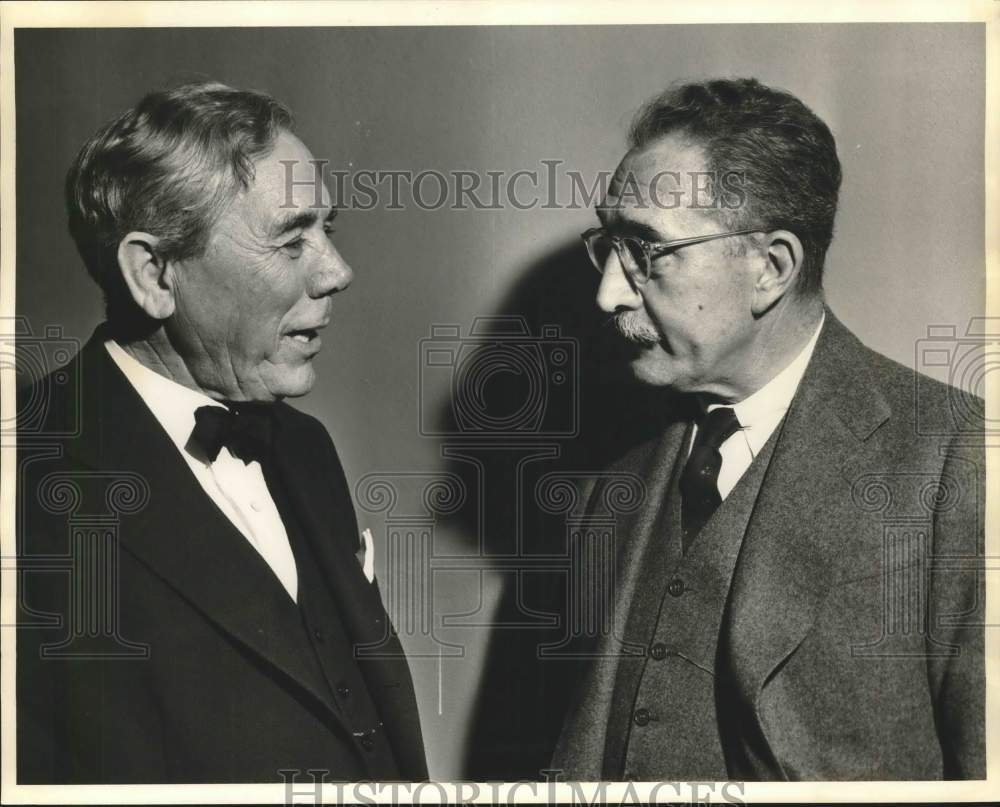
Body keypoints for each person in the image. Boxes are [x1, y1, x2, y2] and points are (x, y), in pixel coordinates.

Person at [551, 78, 985, 781]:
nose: (607, 291)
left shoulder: (950, 456)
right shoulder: (613, 476)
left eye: (645, 251)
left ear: (772, 268)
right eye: (607, 244)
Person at [16, 82, 427, 783]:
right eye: (291, 237)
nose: (338, 270)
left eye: (329, 229)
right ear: (154, 274)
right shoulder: (28, 484)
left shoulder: (306, 448)